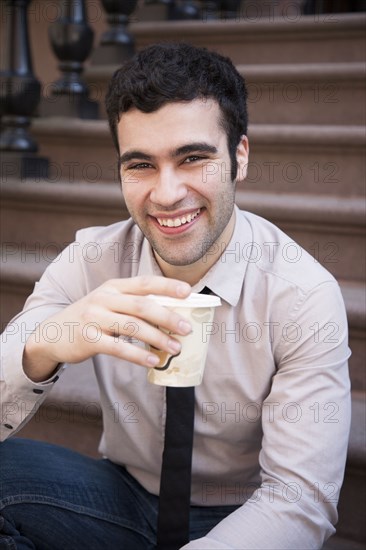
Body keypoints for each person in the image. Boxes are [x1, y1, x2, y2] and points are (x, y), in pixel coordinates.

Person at [0, 42, 351, 549]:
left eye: (192, 159)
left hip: (243, 515)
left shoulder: (303, 294)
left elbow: (298, 499)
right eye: (140, 165)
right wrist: (44, 343)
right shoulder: (91, 260)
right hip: (124, 496)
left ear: (240, 157)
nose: (166, 194)